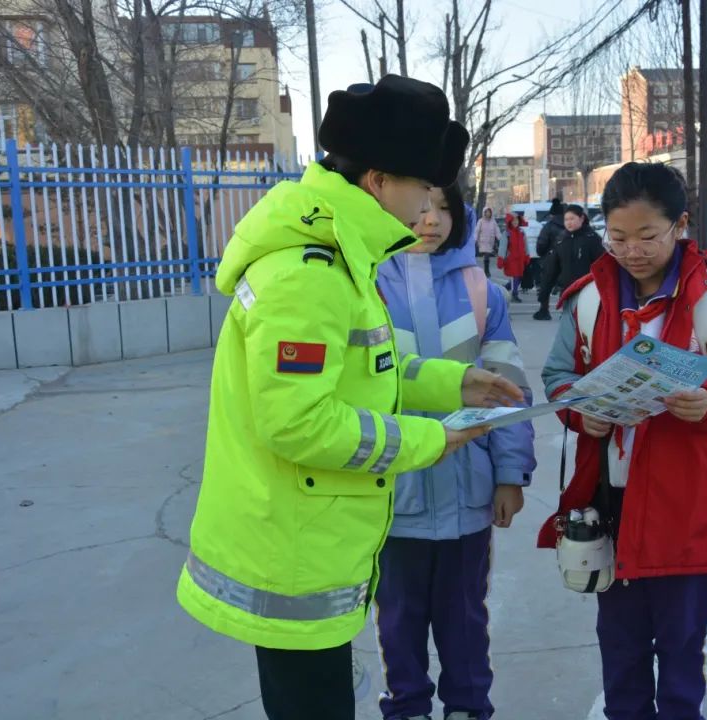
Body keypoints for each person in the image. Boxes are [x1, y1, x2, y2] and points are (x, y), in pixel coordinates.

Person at [176, 75, 525, 720]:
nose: (427, 207)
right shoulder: (307, 276)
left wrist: (452, 381)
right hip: (293, 552)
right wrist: (430, 438)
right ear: (377, 182)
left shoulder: (341, 256)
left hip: (313, 539)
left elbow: (367, 364)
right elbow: (300, 423)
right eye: (421, 187)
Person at [539, 162, 707, 720]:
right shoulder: (589, 301)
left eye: (648, 236)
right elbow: (556, 378)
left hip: (689, 503)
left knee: (682, 654)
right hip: (611, 503)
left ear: (681, 225)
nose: (632, 251)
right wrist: (581, 411)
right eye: (617, 237)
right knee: (619, 654)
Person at [375, 181, 536, 720]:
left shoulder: (480, 290)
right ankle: (408, 707)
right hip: (391, 501)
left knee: (466, 618)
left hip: (470, 498)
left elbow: (508, 386)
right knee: (398, 618)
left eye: (445, 207)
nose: (431, 218)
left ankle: (468, 707)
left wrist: (510, 473)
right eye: (422, 204)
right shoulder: (362, 284)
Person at [534, 204, 603, 321]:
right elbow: (551, 269)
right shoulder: (561, 240)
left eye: (572, 219)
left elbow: (603, 266)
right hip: (567, 291)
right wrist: (544, 292)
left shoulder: (592, 238)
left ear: (581, 219)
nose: (569, 222)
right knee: (568, 326)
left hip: (589, 292)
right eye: (566, 219)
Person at [500, 210, 531, 303]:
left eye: (517, 220)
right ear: (509, 221)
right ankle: (514, 294)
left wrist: (527, 255)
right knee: (515, 277)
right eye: (513, 221)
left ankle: (503, 289)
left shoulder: (522, 232)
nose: (515, 222)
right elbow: (502, 246)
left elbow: (526, 245)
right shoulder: (507, 233)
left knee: (519, 277)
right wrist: (501, 258)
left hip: (520, 259)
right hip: (511, 260)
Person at [474, 207, 502, 277]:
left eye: (489, 212)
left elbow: (497, 231)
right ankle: (486, 271)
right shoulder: (481, 221)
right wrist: (474, 239)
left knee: (487, 256)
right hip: (482, 242)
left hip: (490, 242)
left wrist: (501, 239)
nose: (488, 214)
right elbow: (476, 231)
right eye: (486, 212)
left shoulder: (493, 222)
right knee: (486, 256)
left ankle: (486, 270)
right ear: (484, 213)